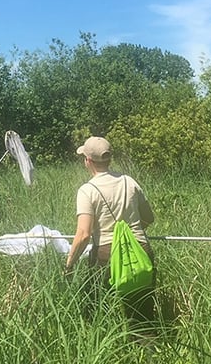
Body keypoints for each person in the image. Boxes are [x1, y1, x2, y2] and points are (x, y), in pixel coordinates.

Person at [65, 136, 157, 326]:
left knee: (94, 310)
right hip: (141, 251)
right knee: (142, 317)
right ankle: (149, 350)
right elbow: (149, 218)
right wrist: (129, 237)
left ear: (88, 161)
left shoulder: (87, 190)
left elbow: (83, 235)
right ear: (109, 159)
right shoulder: (129, 182)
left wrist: (69, 264)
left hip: (106, 256)